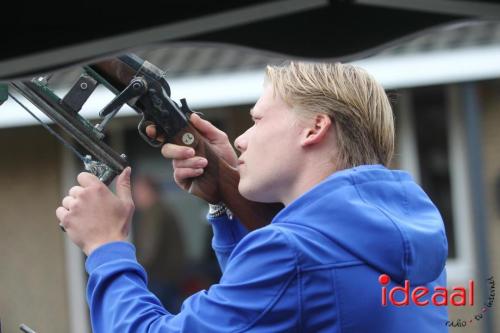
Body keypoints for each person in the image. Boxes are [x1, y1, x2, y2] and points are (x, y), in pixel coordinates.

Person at [56, 62, 448, 332]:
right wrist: (224, 199)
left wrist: (105, 245)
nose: (241, 139)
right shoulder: (399, 242)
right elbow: (278, 309)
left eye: (258, 119)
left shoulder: (292, 256)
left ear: (314, 128)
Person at [132, 175, 185, 312]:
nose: (135, 197)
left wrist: (135, 270)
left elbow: (150, 249)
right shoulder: (163, 210)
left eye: (138, 192)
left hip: (158, 278)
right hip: (169, 276)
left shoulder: (154, 214)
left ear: (150, 191)